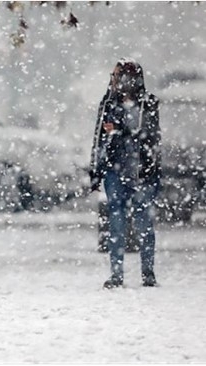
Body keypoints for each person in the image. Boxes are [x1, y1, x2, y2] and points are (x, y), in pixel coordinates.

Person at [89, 58, 162, 289]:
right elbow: (100, 137)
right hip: (115, 171)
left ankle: (147, 272)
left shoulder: (147, 103)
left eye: (116, 76)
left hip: (142, 172)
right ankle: (117, 274)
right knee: (116, 222)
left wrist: (119, 131)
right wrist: (96, 170)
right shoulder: (108, 103)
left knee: (143, 224)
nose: (112, 81)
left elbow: (148, 135)